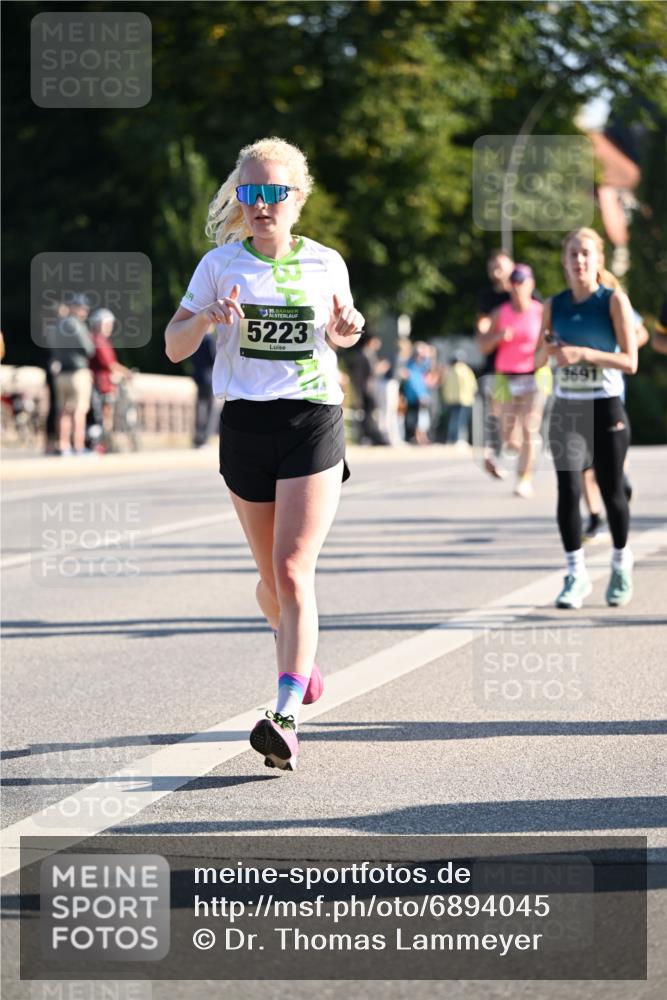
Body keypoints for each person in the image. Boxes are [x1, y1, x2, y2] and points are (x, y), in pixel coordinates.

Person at [164, 138, 364, 772]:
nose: (260, 205)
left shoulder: (326, 263)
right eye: (249, 193)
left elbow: (339, 331)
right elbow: (172, 346)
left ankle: (283, 715)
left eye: (273, 192)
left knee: (293, 569)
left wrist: (345, 331)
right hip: (246, 425)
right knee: (269, 583)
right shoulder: (220, 265)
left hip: (312, 420)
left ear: (296, 199)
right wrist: (203, 321)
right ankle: (301, 663)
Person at [534, 227, 637, 609]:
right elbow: (535, 360)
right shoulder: (553, 305)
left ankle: (620, 564)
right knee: (569, 492)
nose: (578, 260)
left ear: (598, 261)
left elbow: (631, 361)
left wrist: (582, 354)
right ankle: (576, 574)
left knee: (611, 492)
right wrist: (549, 351)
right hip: (567, 409)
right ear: (563, 261)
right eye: (572, 254)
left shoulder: (613, 301)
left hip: (606, 406)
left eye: (586, 254)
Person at [478, 264, 547, 497]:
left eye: (522, 283)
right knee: (509, 436)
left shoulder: (541, 311)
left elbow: (552, 341)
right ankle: (523, 452)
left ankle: (524, 478)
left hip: (534, 376)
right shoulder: (501, 312)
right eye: (514, 284)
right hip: (505, 377)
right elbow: (483, 345)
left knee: (529, 427)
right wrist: (498, 337)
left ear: (531, 285)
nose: (518, 289)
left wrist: (543, 352)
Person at [474, 249, 514, 479]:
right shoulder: (486, 296)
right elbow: (482, 327)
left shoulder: (524, 292)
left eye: (500, 265)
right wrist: (492, 332)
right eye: (492, 266)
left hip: (523, 367)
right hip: (495, 365)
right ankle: (493, 454)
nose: (496, 270)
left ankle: (510, 447)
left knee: (514, 422)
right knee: (495, 411)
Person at [52, 294, 95, 455]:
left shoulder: (58, 325)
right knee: (79, 410)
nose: (85, 311)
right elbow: (89, 349)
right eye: (83, 308)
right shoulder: (77, 325)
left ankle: (63, 445)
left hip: (61, 372)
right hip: (77, 372)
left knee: (63, 412)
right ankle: (78, 445)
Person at [89, 308, 132, 450]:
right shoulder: (98, 340)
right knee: (104, 416)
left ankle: (105, 443)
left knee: (106, 416)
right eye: (106, 324)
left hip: (105, 383)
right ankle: (103, 444)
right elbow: (109, 364)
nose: (109, 328)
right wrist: (126, 372)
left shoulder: (100, 340)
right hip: (102, 384)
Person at [442, 350, 477, 447]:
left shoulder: (450, 370)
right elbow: (472, 384)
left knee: (453, 420)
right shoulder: (465, 370)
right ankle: (459, 439)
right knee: (461, 421)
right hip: (464, 399)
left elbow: (445, 386)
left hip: (451, 399)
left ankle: (451, 439)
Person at [191, 333, 218, 447]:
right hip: (208, 378)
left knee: (199, 408)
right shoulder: (209, 340)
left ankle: (198, 438)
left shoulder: (195, 338)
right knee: (210, 410)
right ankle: (205, 439)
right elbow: (214, 358)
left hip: (198, 377)